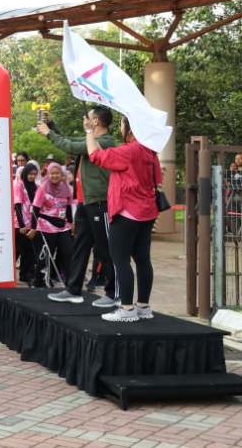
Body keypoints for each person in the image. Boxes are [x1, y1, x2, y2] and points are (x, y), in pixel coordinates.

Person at [38, 107, 118, 307]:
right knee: (80, 248)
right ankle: (73, 289)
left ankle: (114, 293)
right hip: (85, 201)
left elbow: (73, 147)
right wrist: (52, 125)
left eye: (88, 117)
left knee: (105, 248)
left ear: (96, 122)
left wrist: (48, 132)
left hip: (100, 202)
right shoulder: (90, 140)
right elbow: (72, 144)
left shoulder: (105, 142)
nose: (84, 119)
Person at [87, 114, 162, 322]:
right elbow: (159, 176)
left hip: (127, 210)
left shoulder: (129, 150)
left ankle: (127, 309)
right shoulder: (150, 151)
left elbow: (95, 157)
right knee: (143, 259)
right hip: (147, 211)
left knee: (120, 258)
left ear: (130, 128)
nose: (119, 128)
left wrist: (88, 131)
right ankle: (143, 306)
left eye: (121, 124)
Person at [29, 163, 77, 288]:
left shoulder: (66, 188)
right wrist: (33, 229)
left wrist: (71, 223)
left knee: (69, 252)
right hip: (46, 227)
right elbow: (35, 210)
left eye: (57, 173)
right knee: (45, 256)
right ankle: (40, 282)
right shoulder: (42, 189)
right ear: (48, 174)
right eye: (52, 173)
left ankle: (70, 284)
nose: (55, 175)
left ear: (61, 174)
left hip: (62, 226)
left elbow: (67, 208)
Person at [13, 162, 39, 283]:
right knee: (16, 251)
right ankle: (8, 274)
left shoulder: (36, 187)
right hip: (20, 225)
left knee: (29, 252)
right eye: (30, 174)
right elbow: (17, 206)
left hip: (32, 226)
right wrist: (22, 225)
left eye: (35, 174)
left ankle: (25, 275)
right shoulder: (19, 186)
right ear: (25, 173)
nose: (32, 176)